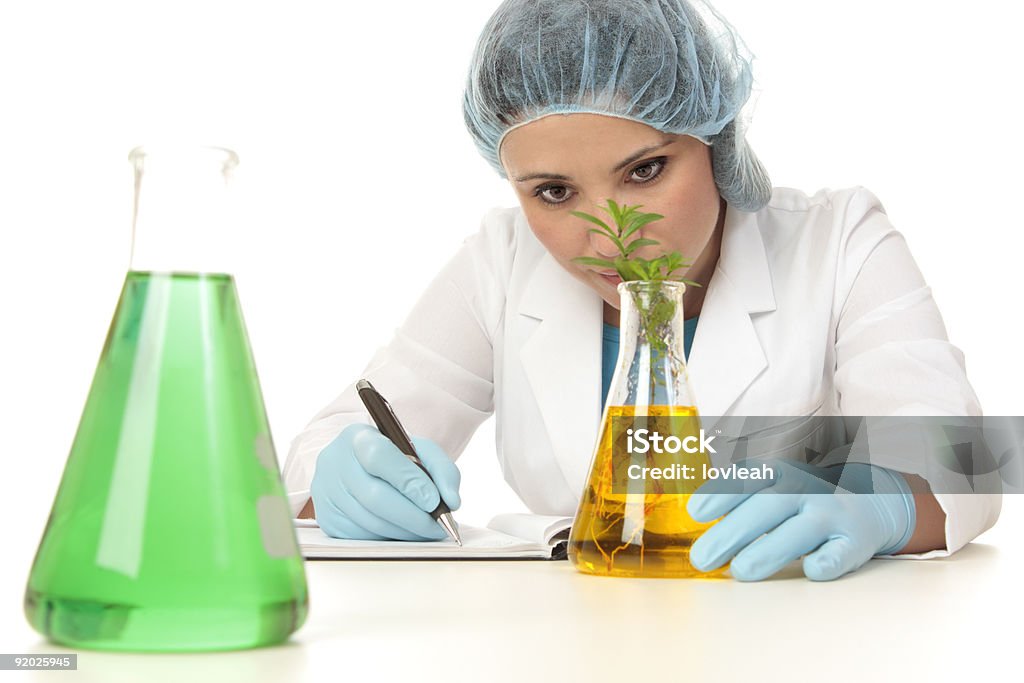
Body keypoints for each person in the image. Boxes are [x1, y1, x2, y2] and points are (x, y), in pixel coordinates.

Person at [282, 0, 999, 580]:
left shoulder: (838, 239)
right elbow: (328, 451)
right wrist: (346, 481)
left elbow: (971, 459)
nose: (606, 236)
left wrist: (881, 502)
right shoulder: (502, 260)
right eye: (554, 191)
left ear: (718, 142)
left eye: (646, 171)